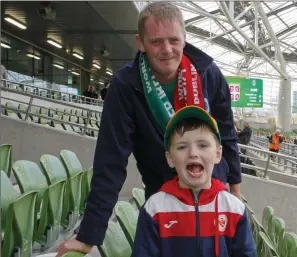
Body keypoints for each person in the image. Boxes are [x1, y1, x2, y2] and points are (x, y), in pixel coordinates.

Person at [56, 2, 241, 255]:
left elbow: (227, 136)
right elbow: (110, 162)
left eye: (174, 40)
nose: (167, 50)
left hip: (214, 200)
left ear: (185, 39)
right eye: (156, 42)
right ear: (140, 43)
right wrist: (88, 236)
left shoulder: (209, 74)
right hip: (164, 204)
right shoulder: (125, 87)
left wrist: (235, 193)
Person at [131, 106, 257, 257]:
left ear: (218, 154)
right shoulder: (155, 209)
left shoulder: (234, 209)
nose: (193, 153)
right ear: (170, 158)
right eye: (182, 147)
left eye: (203, 145)